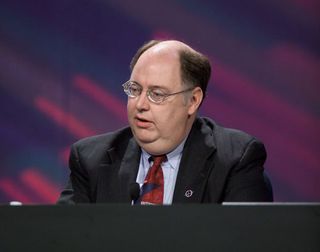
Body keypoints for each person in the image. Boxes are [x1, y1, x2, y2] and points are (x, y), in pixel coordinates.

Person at [57, 40, 273, 204]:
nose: (140, 104)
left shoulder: (234, 160)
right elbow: (62, 240)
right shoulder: (91, 160)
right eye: (134, 90)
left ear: (193, 100)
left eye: (157, 94)